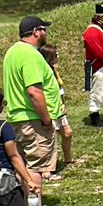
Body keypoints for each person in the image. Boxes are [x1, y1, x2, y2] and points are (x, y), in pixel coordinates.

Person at [1, 16, 64, 206]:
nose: (46, 33)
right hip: (33, 119)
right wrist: (46, 119)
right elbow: (34, 92)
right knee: (36, 167)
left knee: (23, 165)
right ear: (36, 31)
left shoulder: (12, 52)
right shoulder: (30, 55)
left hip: (17, 118)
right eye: (44, 29)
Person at [39, 44, 74, 177]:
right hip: (49, 109)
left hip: (58, 108)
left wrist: (63, 103)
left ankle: (68, 159)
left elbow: (58, 89)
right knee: (49, 140)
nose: (58, 57)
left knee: (68, 133)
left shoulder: (54, 69)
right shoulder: (42, 71)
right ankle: (47, 170)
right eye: (55, 55)